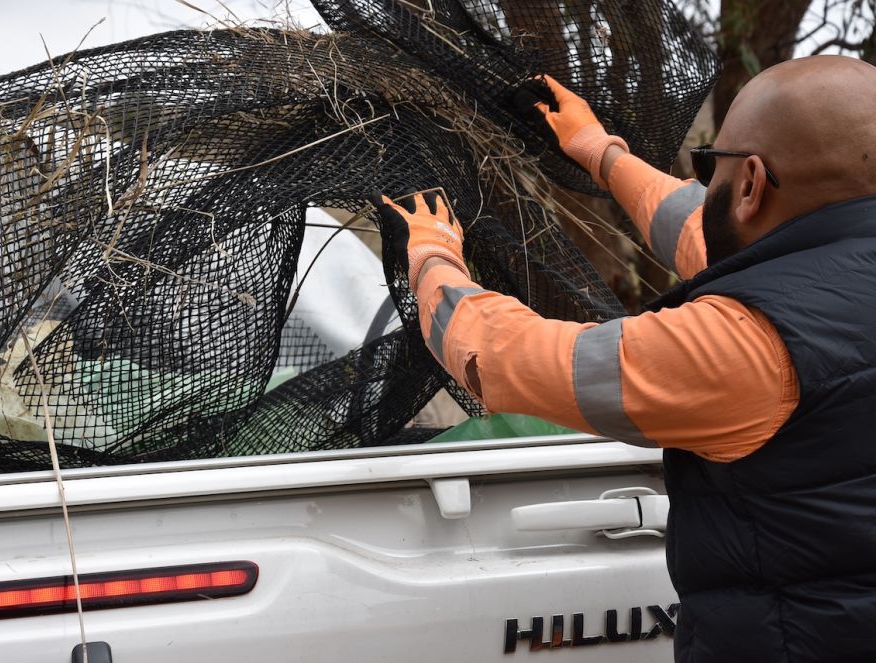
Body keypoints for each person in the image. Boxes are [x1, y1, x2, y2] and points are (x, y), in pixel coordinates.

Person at [371, 55, 876, 662]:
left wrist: (430, 257)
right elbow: (703, 233)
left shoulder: (748, 346)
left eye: (710, 167)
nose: (703, 186)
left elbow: (511, 360)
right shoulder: (832, 272)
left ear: (749, 183)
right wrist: (600, 153)